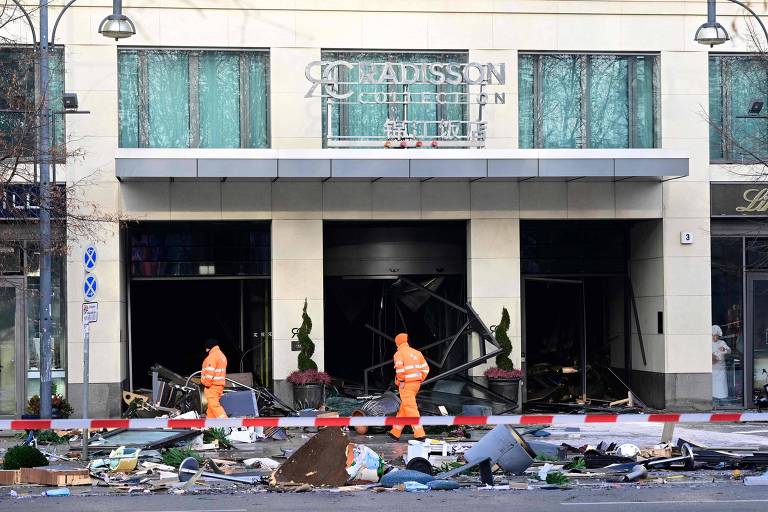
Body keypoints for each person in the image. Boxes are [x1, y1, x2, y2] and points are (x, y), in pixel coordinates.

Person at [389, 333, 429, 440]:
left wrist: (401, 381)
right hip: (416, 384)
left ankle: (420, 433)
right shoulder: (417, 353)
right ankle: (395, 432)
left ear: (397, 343)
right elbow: (426, 369)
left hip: (406, 385)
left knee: (410, 408)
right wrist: (418, 380)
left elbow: (399, 369)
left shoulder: (399, 354)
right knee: (405, 407)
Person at [201, 338, 228, 418]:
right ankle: (210, 426)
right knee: (211, 409)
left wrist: (206, 384)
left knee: (214, 406)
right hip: (218, 386)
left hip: (212, 386)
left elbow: (210, 372)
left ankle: (228, 424)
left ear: (209, 347)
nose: (205, 349)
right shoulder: (222, 356)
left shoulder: (212, 357)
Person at [712, 325, 731, 401]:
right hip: (712, 368)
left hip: (721, 369)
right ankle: (714, 401)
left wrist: (724, 349)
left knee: (721, 387)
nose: (714, 337)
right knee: (713, 387)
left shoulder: (722, 342)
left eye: (716, 336)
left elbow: (729, 351)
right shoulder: (707, 343)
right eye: (713, 336)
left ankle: (723, 401)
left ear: (718, 336)